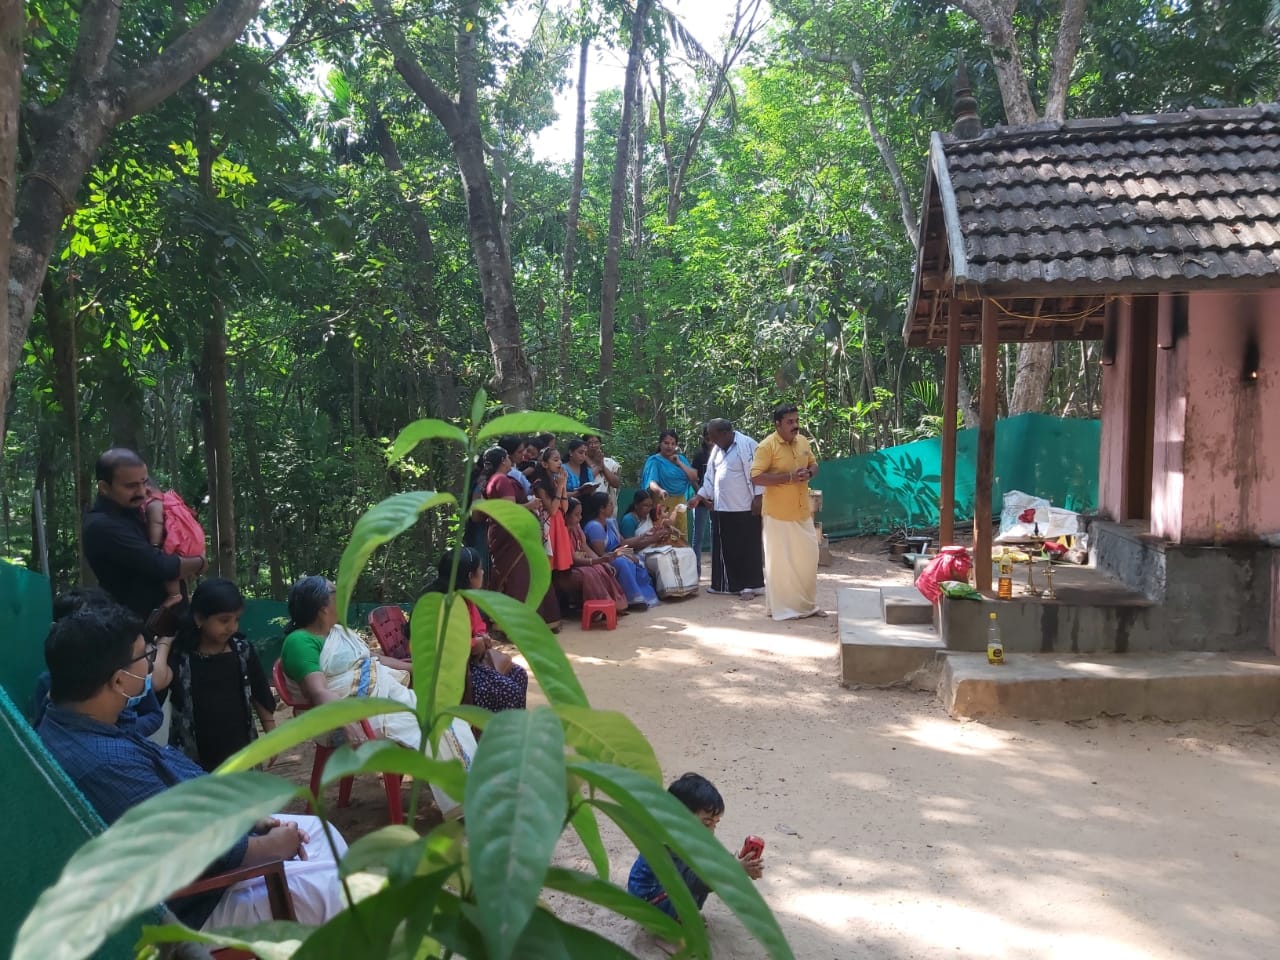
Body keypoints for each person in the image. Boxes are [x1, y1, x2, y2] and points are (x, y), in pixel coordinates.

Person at [37, 601, 349, 931]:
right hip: (190, 905)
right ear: (117, 682)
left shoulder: (81, 721)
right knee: (339, 888)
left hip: (206, 850)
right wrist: (267, 847)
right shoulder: (104, 763)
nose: (149, 663)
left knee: (322, 833)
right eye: (145, 656)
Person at [278, 576, 474, 818]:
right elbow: (319, 692)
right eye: (335, 592)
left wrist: (418, 669)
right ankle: (464, 805)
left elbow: (373, 661)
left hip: (376, 702)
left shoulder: (339, 632)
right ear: (322, 606)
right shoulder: (299, 642)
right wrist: (346, 721)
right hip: (345, 717)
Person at [627, 773, 764, 930]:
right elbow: (693, 880)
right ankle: (666, 931)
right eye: (706, 823)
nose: (711, 830)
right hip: (647, 902)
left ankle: (677, 918)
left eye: (715, 824)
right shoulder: (667, 843)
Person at [167, 578, 277, 772]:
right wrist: (163, 644)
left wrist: (271, 734)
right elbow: (159, 682)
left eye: (236, 620)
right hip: (194, 756)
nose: (232, 627)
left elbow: (259, 692)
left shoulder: (242, 651)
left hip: (240, 748)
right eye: (224, 620)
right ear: (199, 618)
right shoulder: (180, 655)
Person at [83, 448, 206, 619]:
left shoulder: (135, 509)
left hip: (170, 624)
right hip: (136, 632)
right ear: (104, 488)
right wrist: (200, 562)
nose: (142, 491)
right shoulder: (102, 526)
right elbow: (160, 565)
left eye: (144, 482)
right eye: (131, 486)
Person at [425, 547, 527, 712]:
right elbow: (446, 646)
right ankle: (495, 734)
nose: (482, 572)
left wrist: (481, 637)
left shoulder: (465, 597)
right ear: (470, 576)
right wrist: (474, 644)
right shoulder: (444, 604)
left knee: (519, 674)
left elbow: (478, 626)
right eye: (479, 569)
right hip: (452, 670)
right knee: (510, 692)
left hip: (469, 663)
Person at [751, 404, 825, 620]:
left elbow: (814, 464)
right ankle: (783, 609)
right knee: (781, 565)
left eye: (796, 421)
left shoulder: (802, 441)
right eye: (790, 422)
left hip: (802, 512)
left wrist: (809, 473)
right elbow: (756, 477)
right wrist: (789, 478)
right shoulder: (767, 446)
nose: (795, 425)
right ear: (778, 424)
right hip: (778, 515)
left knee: (809, 558)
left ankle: (807, 606)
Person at [483, 446, 562, 630]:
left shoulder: (497, 479)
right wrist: (530, 504)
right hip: (510, 536)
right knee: (520, 578)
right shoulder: (501, 480)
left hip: (511, 535)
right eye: (508, 457)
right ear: (503, 460)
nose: (511, 459)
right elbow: (508, 509)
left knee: (523, 575)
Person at [688, 418, 765, 600]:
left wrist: (759, 497)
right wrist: (699, 496)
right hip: (722, 508)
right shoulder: (716, 450)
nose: (711, 440)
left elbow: (759, 472)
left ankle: (749, 586)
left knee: (747, 548)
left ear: (726, 433)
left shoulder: (747, 445)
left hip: (745, 507)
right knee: (725, 548)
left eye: (714, 436)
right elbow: (709, 478)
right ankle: (725, 584)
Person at [580, 492, 661, 609]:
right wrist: (624, 554)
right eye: (610, 504)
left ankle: (644, 597)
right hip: (603, 559)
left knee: (638, 560)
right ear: (602, 509)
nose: (613, 507)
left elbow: (622, 543)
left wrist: (644, 536)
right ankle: (632, 598)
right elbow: (601, 554)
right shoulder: (594, 526)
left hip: (616, 553)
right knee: (623, 563)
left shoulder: (610, 522)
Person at [560, 497, 629, 616]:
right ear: (566, 515)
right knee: (590, 573)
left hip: (582, 564)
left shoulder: (577, 528)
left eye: (580, 514)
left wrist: (602, 562)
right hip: (565, 572)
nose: (580, 518)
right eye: (576, 515)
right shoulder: (562, 531)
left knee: (602, 568)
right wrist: (598, 560)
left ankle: (613, 605)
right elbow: (573, 559)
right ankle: (598, 611)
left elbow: (585, 547)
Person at [640, 430, 699, 541]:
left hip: (681, 502)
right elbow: (651, 482)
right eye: (666, 443)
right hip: (662, 503)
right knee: (663, 535)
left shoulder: (681, 459)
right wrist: (660, 491)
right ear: (660, 444)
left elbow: (694, 477)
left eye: (673, 444)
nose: (669, 446)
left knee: (681, 535)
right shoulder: (654, 461)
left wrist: (679, 463)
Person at [689, 426, 714, 579]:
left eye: (713, 439)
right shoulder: (699, 456)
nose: (711, 442)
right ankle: (695, 573)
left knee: (715, 537)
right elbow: (693, 479)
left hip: (718, 502)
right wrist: (703, 498)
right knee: (697, 538)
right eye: (708, 439)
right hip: (701, 502)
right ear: (704, 438)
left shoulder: (721, 454)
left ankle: (716, 572)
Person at [584, 433, 623, 513]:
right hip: (588, 507)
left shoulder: (610, 463)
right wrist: (597, 467)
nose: (593, 445)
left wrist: (602, 466)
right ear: (584, 445)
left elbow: (616, 483)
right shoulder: (581, 463)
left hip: (608, 509)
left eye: (596, 442)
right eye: (590, 443)